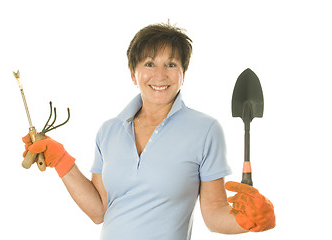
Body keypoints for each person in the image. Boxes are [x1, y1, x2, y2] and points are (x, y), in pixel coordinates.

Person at [22, 22, 275, 240]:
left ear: (183, 74)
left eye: (172, 64)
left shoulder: (205, 130)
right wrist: (61, 159)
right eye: (150, 63)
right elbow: (99, 210)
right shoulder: (109, 131)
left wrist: (248, 221)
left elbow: (214, 214)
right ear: (134, 74)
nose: (160, 75)